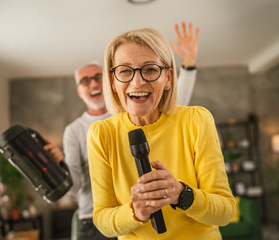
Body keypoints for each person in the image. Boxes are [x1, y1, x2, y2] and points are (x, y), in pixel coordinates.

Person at [45, 22, 200, 240]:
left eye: (97, 77)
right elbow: (75, 187)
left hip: (143, 221)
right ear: (80, 91)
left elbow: (175, 104)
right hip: (94, 220)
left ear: (110, 80)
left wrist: (189, 65)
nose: (93, 84)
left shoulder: (134, 111)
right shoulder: (74, 130)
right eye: (85, 81)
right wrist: (58, 167)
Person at [86, 27, 235, 239]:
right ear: (112, 80)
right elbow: (103, 221)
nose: (137, 82)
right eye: (125, 71)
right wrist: (135, 212)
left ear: (168, 77)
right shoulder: (101, 134)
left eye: (150, 69)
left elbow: (225, 213)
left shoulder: (196, 120)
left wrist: (182, 194)